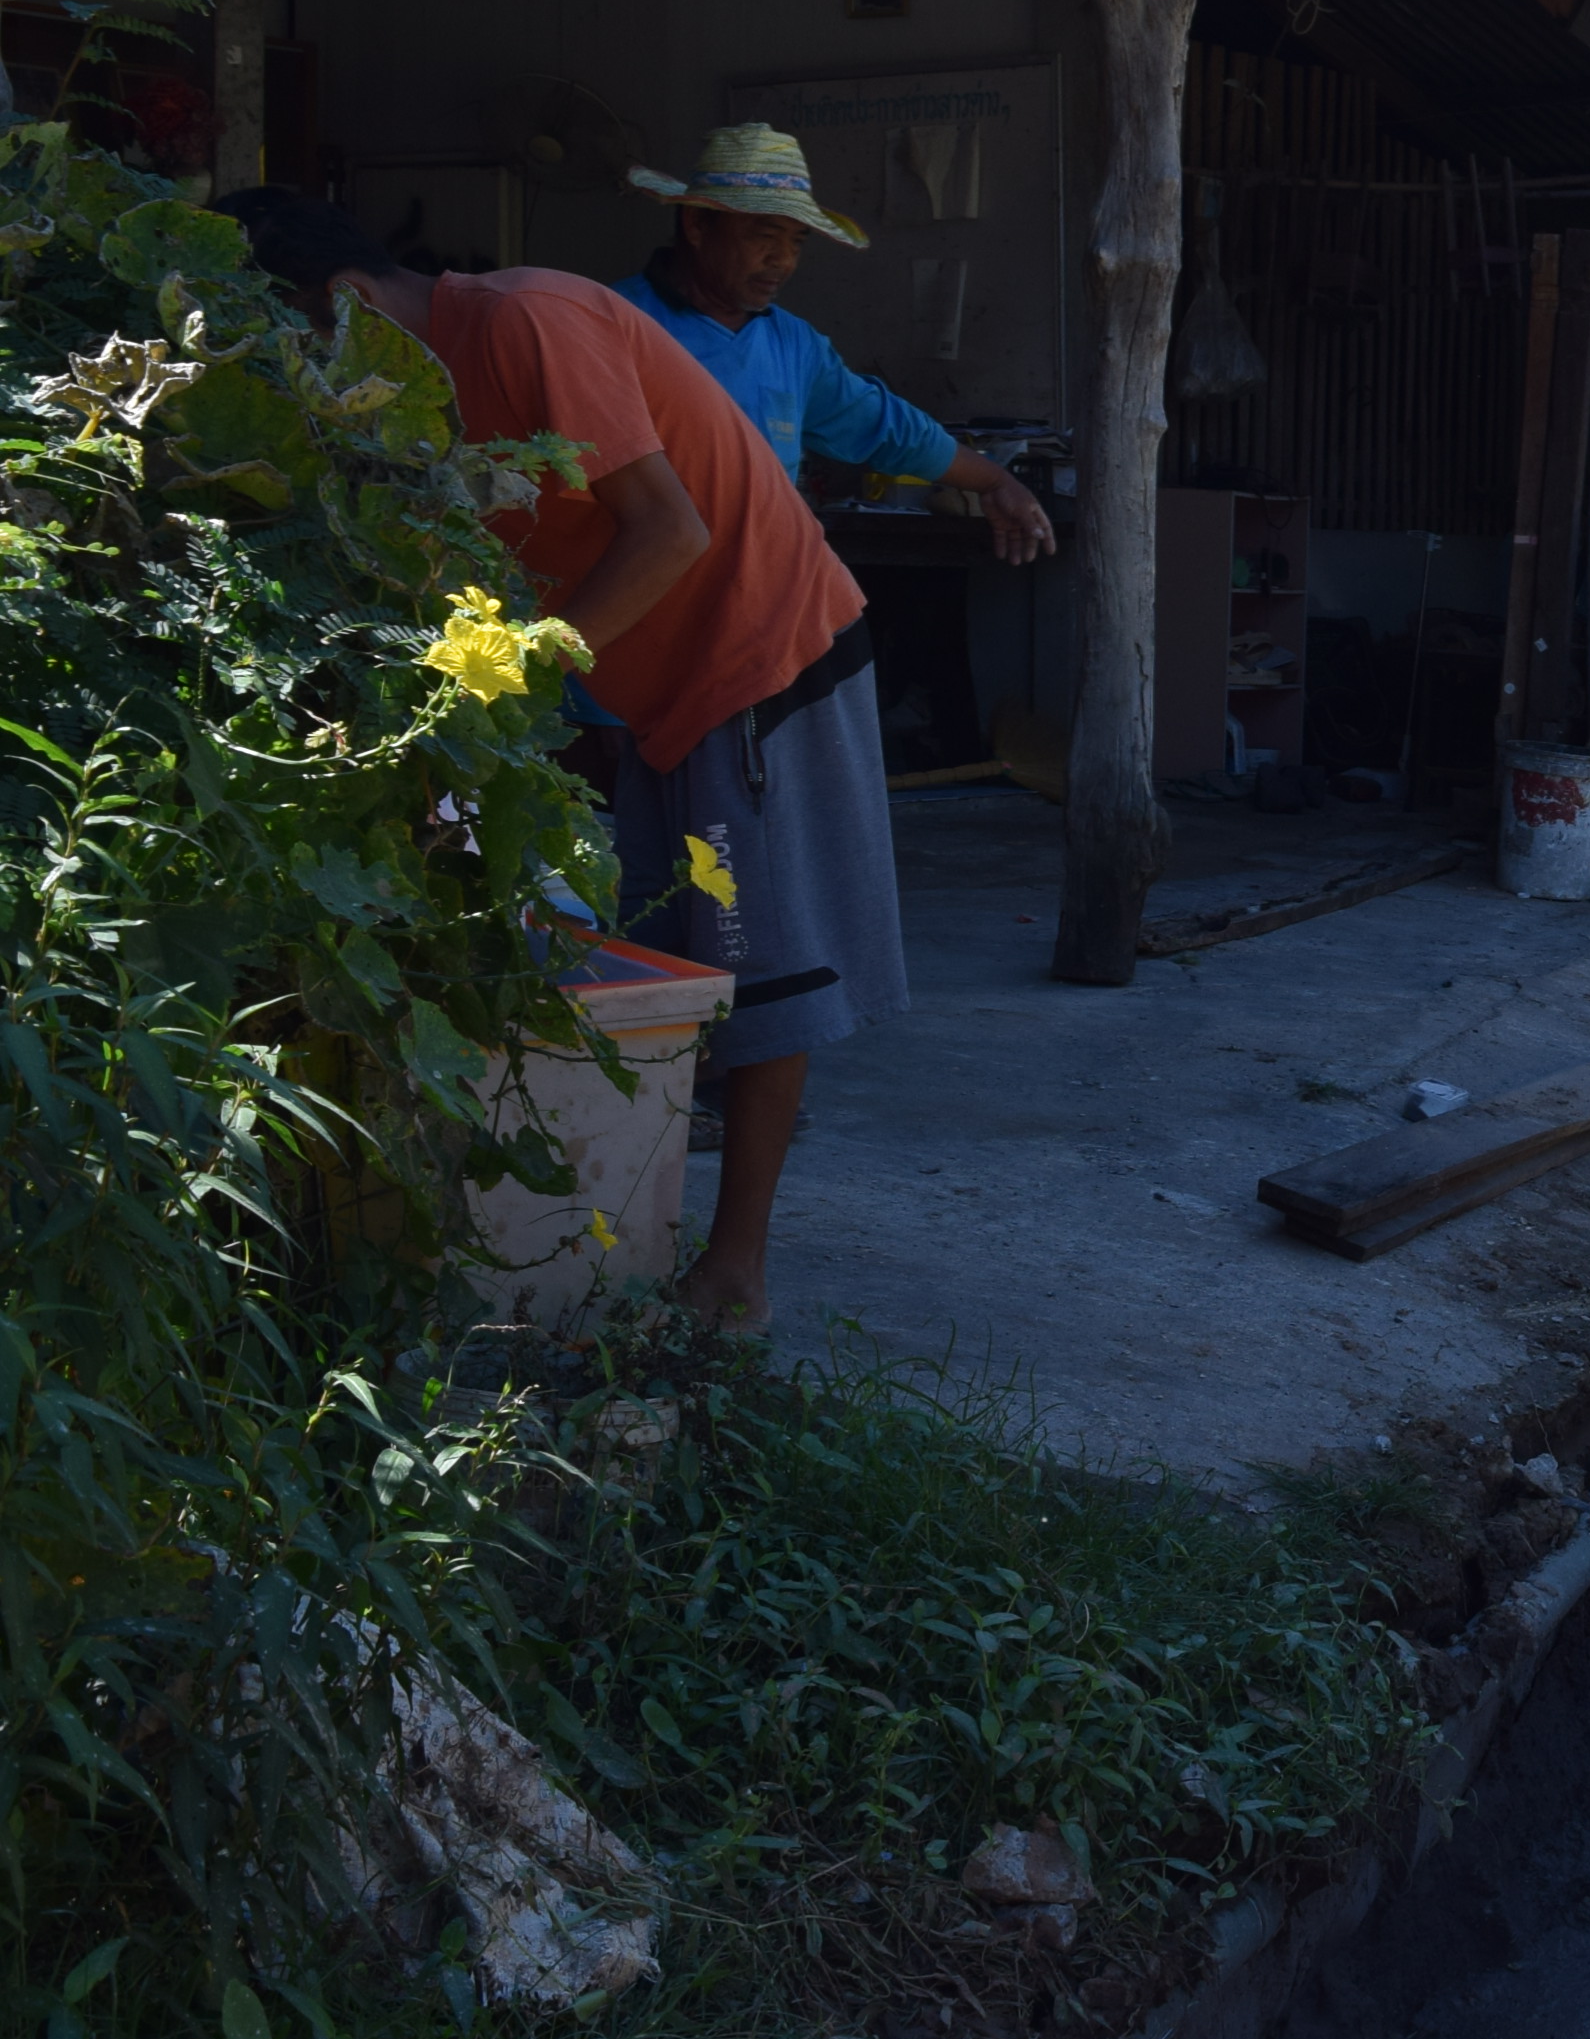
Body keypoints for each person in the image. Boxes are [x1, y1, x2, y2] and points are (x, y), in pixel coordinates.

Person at [223, 186, 901, 1331]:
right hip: (649, 689)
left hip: (758, 648)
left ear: (344, 304)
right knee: (672, 965)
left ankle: (735, 1275)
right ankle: (644, 1234)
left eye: (290, 350)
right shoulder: (405, 417)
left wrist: (502, 689)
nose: (299, 387)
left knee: (762, 975)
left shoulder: (529, 319)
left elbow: (670, 532)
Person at [611, 123, 1055, 559]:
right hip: (651, 582)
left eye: (796, 242)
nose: (782, 260)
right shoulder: (612, 324)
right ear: (696, 224)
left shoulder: (793, 344)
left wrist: (995, 482)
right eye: (765, 235)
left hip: (761, 578)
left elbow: (885, 426)